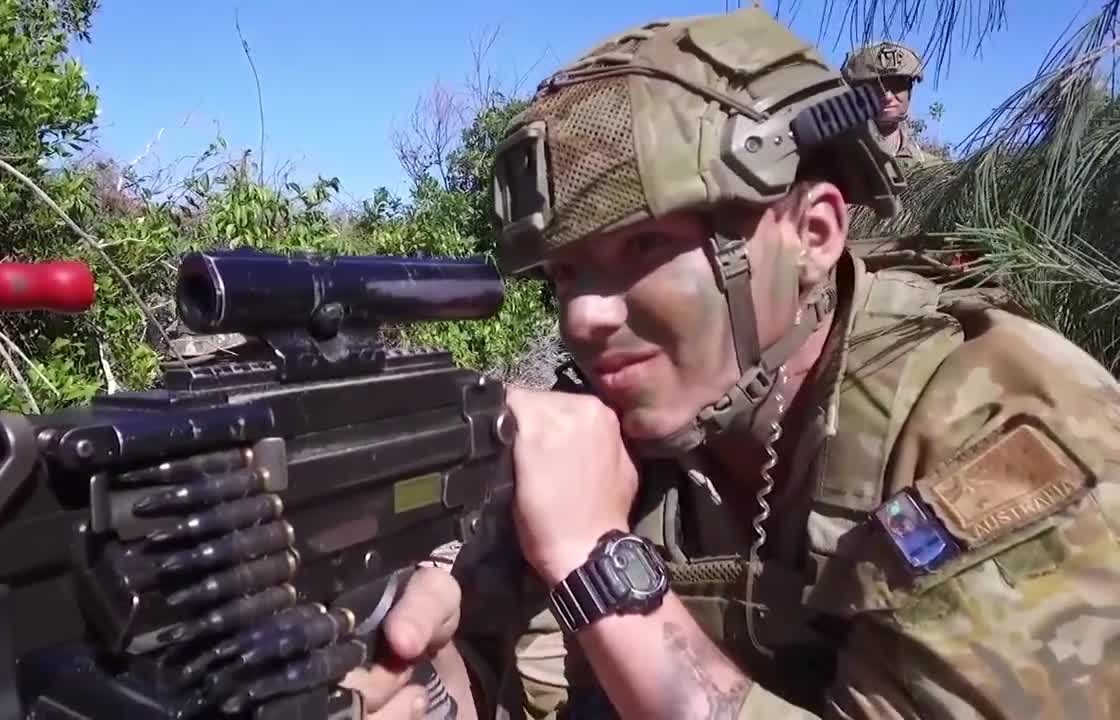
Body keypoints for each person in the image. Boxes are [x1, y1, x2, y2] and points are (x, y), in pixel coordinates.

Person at [344, 7, 1120, 719]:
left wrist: (596, 565)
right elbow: (512, 672)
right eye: (566, 274)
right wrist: (429, 677)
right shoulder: (630, 428)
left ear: (813, 235)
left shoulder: (1003, 426)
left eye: (644, 246)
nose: (583, 314)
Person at [841, 41, 941, 171]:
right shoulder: (831, 162)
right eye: (875, 87)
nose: (888, 96)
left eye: (897, 86)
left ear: (909, 91)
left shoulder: (932, 170)